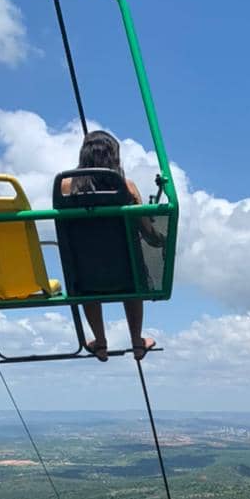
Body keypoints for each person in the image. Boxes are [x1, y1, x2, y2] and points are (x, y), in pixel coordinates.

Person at [60, 130, 156, 361]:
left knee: (86, 275)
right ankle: (136, 340)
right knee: (133, 274)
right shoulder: (127, 187)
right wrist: (160, 235)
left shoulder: (65, 186)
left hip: (84, 275)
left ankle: (100, 341)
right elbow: (147, 232)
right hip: (126, 274)